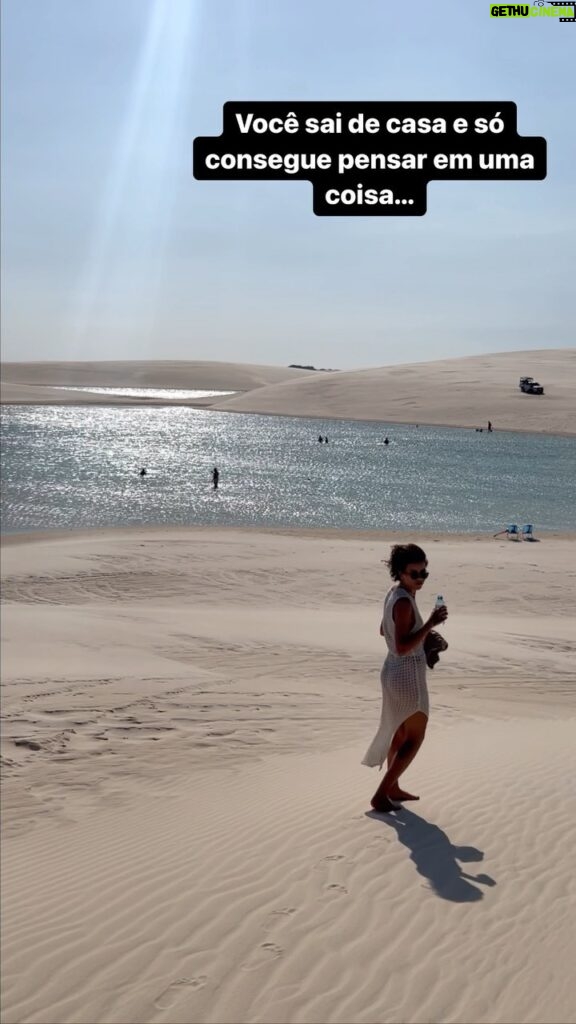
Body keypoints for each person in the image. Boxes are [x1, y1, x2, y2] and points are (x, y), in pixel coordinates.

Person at [362, 543, 448, 812]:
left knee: (399, 733)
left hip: (392, 671)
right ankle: (381, 794)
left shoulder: (395, 594)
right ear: (400, 571)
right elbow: (401, 646)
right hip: (407, 674)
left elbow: (382, 631)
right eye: (415, 573)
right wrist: (430, 625)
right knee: (415, 737)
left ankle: (394, 787)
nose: (421, 578)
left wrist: (420, 630)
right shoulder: (402, 601)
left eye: (425, 573)